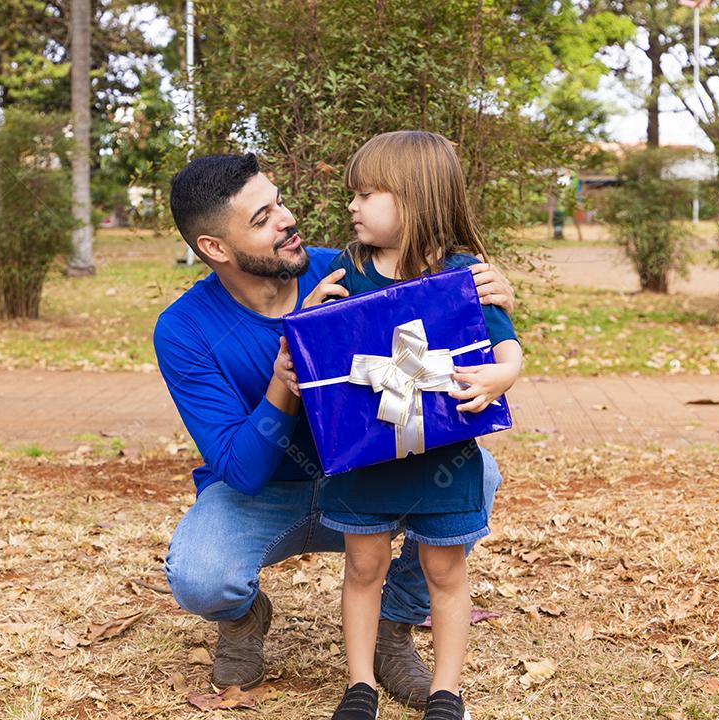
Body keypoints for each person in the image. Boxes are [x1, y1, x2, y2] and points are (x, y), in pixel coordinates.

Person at [153, 152, 516, 709]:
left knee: (476, 475)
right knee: (201, 576)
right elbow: (242, 471)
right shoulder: (183, 330)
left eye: (279, 203)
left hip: (369, 477)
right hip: (268, 494)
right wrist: (284, 379)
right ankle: (244, 620)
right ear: (215, 249)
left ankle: (394, 626)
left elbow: (440, 302)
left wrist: (487, 297)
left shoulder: (347, 271)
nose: (287, 220)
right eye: (261, 219)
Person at [276, 131, 522, 720]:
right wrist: (308, 322)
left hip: (443, 461)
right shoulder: (348, 271)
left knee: (445, 569)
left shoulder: (464, 276)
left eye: (366, 194)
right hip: (367, 462)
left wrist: (500, 377)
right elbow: (320, 353)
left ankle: (446, 690)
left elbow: (506, 348)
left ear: (412, 199)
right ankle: (359, 685)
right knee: (363, 566)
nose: (352, 207)